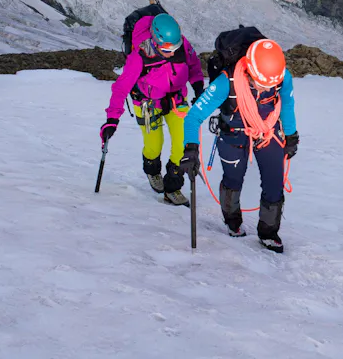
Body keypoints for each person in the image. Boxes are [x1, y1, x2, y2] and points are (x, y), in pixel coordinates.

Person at [180, 37, 299, 253]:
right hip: (233, 132)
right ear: (250, 70)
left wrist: (291, 135)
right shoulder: (227, 82)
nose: (266, 89)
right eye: (261, 83)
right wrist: (190, 148)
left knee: (274, 182)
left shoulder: (281, 77)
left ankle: (268, 232)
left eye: (270, 85)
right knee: (233, 179)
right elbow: (194, 116)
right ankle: (232, 221)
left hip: (267, 130)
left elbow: (287, 103)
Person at [99, 13, 205, 206]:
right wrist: (112, 119)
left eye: (176, 46)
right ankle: (152, 170)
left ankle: (173, 187)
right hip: (148, 103)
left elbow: (194, 66)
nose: (173, 52)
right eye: (167, 48)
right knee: (154, 143)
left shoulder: (183, 45)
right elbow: (121, 87)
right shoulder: (140, 56)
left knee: (183, 142)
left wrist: (198, 88)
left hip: (176, 100)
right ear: (155, 41)